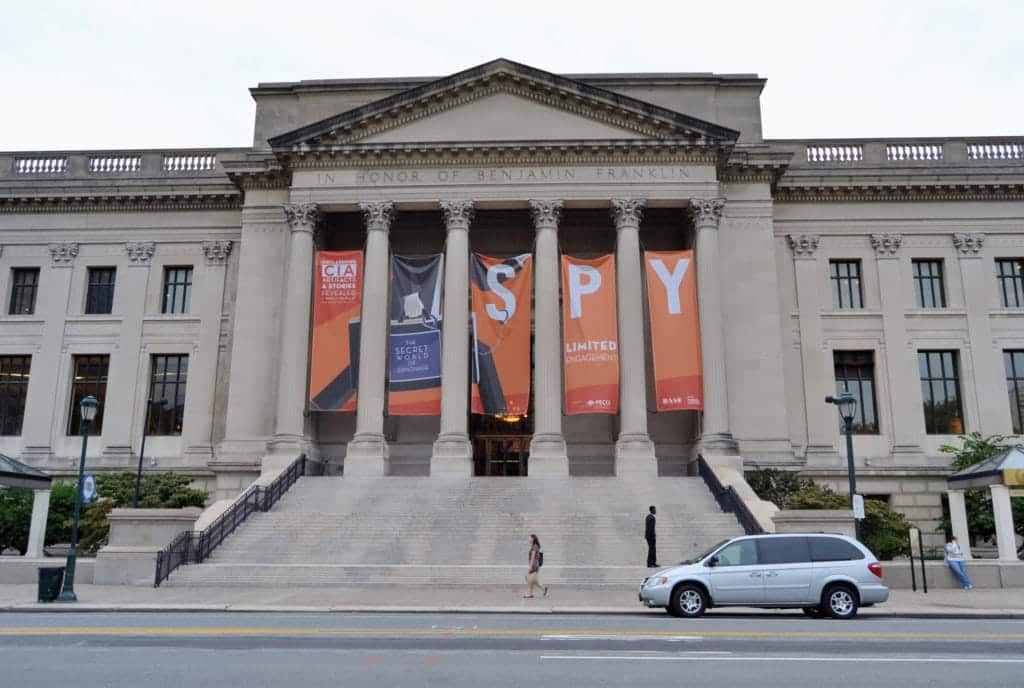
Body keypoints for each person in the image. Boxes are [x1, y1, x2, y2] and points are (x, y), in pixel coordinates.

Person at [524, 533, 548, 598]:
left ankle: (533, 592)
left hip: (534, 565)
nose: (528, 539)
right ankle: (542, 589)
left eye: (529, 538)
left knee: (529, 579)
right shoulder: (535, 546)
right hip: (535, 565)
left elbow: (533, 557)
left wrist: (530, 567)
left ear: (533, 539)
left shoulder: (534, 546)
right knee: (532, 580)